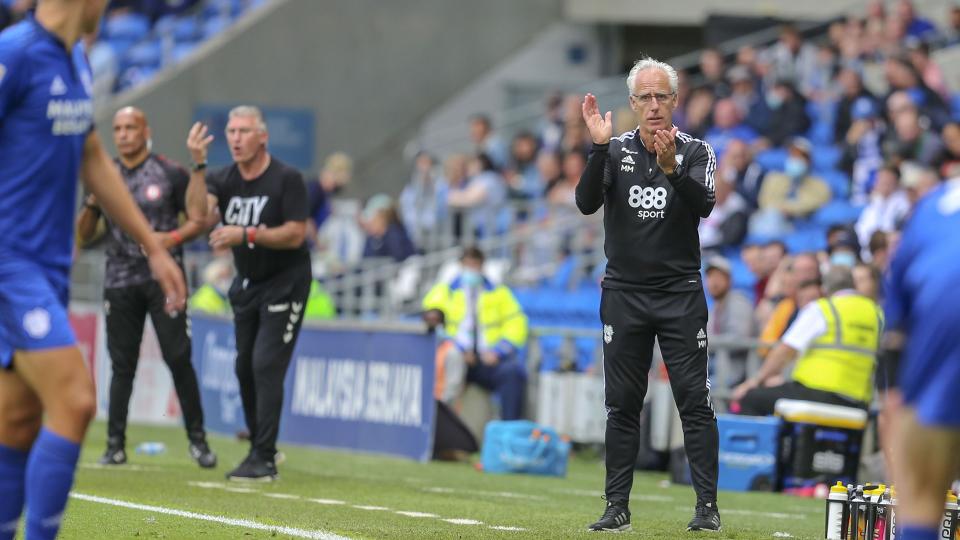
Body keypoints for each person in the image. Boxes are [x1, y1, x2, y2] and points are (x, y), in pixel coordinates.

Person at [0, 1, 186, 538]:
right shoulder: (16, 55)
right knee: (76, 401)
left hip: (49, 269)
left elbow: (91, 155)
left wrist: (152, 244)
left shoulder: (76, 60)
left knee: (16, 423)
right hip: (11, 266)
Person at [577, 57, 721, 532]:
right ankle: (616, 506)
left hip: (679, 294)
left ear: (675, 101)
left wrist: (672, 170)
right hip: (624, 293)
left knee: (693, 401)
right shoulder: (614, 150)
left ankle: (706, 508)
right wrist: (597, 148)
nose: (654, 105)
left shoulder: (697, 151)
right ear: (633, 103)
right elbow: (585, 203)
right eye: (645, 97)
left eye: (663, 96)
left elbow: (703, 205)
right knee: (621, 402)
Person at [76, 107, 215, 468]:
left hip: (163, 280)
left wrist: (169, 239)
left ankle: (198, 441)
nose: (122, 134)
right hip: (119, 280)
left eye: (130, 127)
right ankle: (114, 444)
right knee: (122, 364)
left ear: (145, 130)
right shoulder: (105, 175)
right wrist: (92, 200)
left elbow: (200, 218)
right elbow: (83, 234)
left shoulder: (168, 172)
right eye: (118, 128)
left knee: (178, 358)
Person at [197, 105, 312, 482]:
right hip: (247, 283)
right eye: (231, 132)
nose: (235, 138)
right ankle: (260, 450)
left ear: (263, 136)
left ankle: (263, 457)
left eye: (244, 131)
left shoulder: (286, 178)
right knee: (243, 366)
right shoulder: (222, 177)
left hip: (286, 281)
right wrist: (198, 167)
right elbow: (199, 215)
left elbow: (296, 233)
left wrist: (245, 234)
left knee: (265, 364)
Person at [884, 177, 960, 540]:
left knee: (921, 499)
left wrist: (895, 396)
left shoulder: (935, 203)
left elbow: (898, 320)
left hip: (942, 328)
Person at [732, 267, 882, 415]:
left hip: (818, 393)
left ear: (824, 289)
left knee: (751, 398)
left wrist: (756, 381)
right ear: (853, 285)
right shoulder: (877, 314)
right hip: (859, 401)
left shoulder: (823, 308)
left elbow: (785, 350)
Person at [422, 247, 528, 420]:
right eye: (468, 264)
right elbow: (432, 321)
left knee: (512, 373)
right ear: (460, 265)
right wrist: (460, 349)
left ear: (482, 266)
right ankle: (442, 425)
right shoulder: (445, 291)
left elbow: (517, 323)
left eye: (476, 265)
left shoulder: (499, 293)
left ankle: (509, 431)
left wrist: (498, 351)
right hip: (457, 356)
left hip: (486, 358)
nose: (472, 269)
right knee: (451, 361)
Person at [705, 257, 754, 385]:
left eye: (719, 277)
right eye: (710, 277)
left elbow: (739, 339)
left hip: (736, 368)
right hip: (715, 364)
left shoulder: (738, 301)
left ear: (729, 281)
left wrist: (706, 343)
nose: (714, 282)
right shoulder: (715, 306)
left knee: (700, 388)